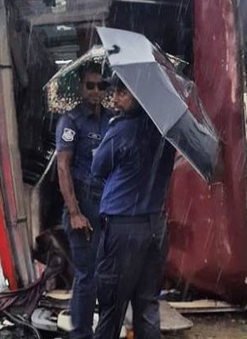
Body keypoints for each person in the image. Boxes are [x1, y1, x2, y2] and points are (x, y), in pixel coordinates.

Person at [91, 78, 176, 339]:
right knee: (147, 306)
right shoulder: (167, 132)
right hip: (155, 228)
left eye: (122, 92)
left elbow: (97, 169)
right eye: (114, 92)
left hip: (123, 230)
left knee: (112, 307)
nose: (114, 98)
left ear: (139, 95)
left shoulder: (121, 130)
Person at [56, 64, 111, 339]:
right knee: (87, 276)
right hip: (83, 203)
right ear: (81, 87)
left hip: (107, 204)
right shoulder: (71, 121)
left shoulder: (111, 120)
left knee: (103, 274)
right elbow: (63, 168)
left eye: (101, 86)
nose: (96, 91)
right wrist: (75, 212)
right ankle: (81, 334)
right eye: (90, 86)